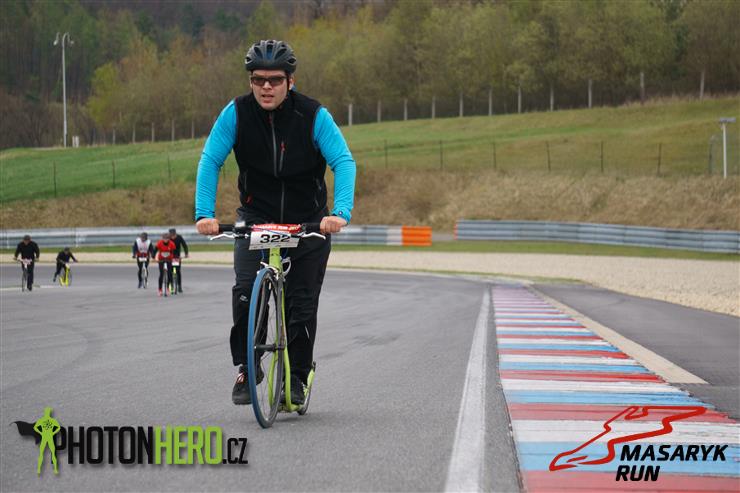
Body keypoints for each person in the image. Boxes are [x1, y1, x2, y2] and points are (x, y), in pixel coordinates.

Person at [194, 39, 356, 406]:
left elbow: (343, 162)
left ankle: (297, 376)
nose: (266, 87)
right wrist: (204, 213)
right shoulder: (236, 113)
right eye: (258, 79)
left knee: (302, 304)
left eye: (275, 80)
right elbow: (210, 160)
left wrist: (339, 214)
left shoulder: (313, 115)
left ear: (290, 81)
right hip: (257, 217)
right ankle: (247, 366)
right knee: (244, 291)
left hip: (308, 220)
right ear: (250, 81)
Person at [153, 232, 176, 297]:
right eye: (164, 239)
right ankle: (160, 290)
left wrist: (174, 258)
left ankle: (169, 288)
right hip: (161, 259)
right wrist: (153, 257)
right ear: (162, 239)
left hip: (169, 259)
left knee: (169, 274)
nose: (165, 240)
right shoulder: (159, 243)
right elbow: (155, 250)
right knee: (161, 274)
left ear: (169, 239)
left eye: (167, 239)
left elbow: (173, 252)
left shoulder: (171, 244)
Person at [168, 228, 189, 293]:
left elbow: (184, 245)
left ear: (175, 234)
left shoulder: (179, 237)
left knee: (178, 271)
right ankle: (171, 285)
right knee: (170, 272)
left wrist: (186, 253)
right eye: (171, 235)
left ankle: (179, 286)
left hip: (177, 256)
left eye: (174, 235)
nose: (173, 236)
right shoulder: (167, 238)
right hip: (169, 255)